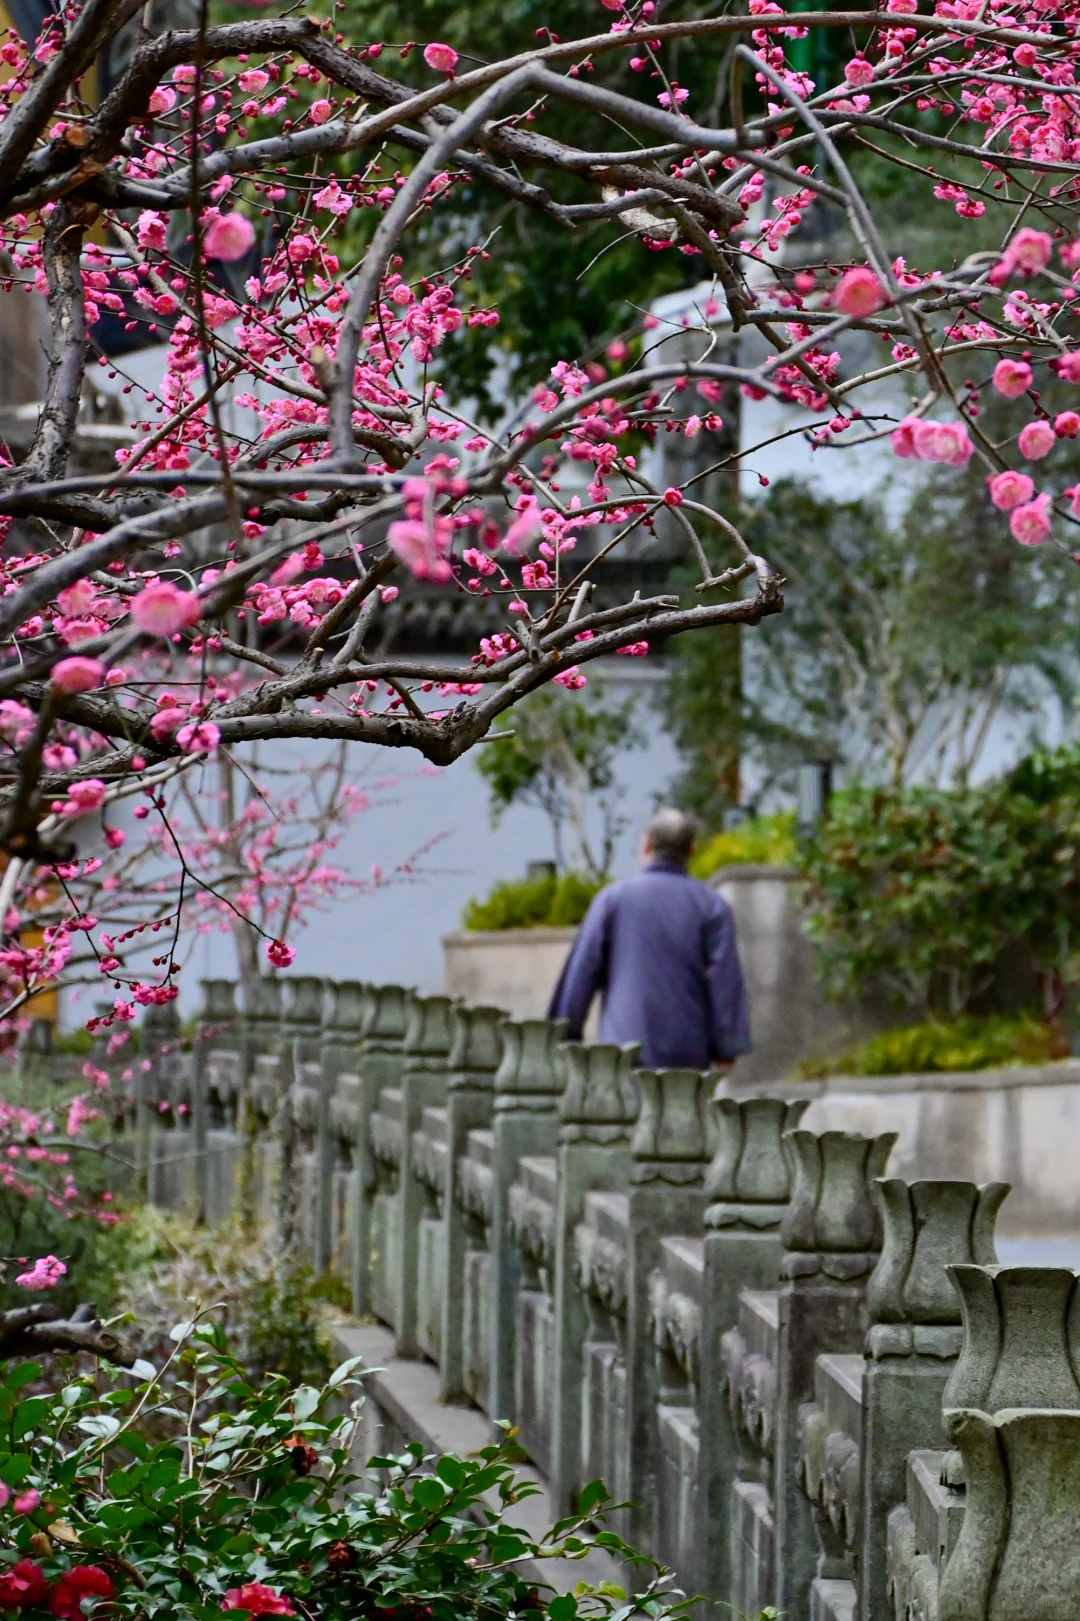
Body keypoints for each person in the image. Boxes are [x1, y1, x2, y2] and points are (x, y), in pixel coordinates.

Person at [547, 807, 751, 1069]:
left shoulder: (612, 900)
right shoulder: (712, 906)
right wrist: (727, 1048)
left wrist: (563, 1034)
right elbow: (725, 980)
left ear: (645, 844)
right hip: (688, 1061)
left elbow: (582, 971)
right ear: (691, 848)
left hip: (624, 1058)